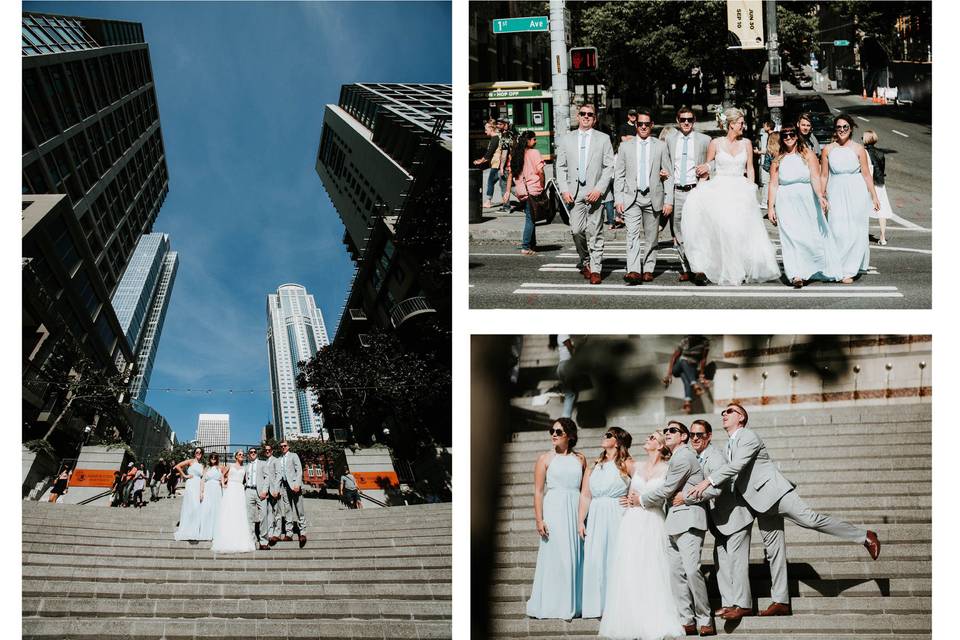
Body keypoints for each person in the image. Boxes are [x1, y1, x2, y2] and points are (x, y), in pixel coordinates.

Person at [689, 403, 881, 617]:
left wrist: (708, 481)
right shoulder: (728, 446)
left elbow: (736, 467)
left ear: (741, 417)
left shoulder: (749, 436)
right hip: (759, 504)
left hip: (776, 494)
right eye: (723, 412)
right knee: (774, 553)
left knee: (811, 520)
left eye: (730, 411)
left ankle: (865, 536)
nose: (725, 414)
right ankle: (781, 601)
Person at [626, 422, 715, 636]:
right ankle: (687, 620)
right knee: (676, 574)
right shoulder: (675, 457)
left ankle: (705, 619)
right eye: (666, 430)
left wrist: (642, 500)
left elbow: (667, 489)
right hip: (673, 522)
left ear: (683, 436)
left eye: (673, 431)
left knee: (692, 570)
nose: (667, 433)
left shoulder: (684, 456)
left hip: (690, 520)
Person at [598, 429, 685, 639]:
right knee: (630, 566)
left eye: (652, 438)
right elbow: (627, 487)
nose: (648, 439)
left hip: (653, 520)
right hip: (632, 521)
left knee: (652, 567)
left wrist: (642, 499)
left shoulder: (667, 468)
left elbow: (666, 493)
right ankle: (630, 619)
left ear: (661, 445)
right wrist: (627, 500)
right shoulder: (636, 466)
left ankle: (652, 619)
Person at [682, 107, 780, 286]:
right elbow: (708, 165)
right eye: (741, 123)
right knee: (725, 230)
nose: (743, 126)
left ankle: (739, 268)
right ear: (731, 124)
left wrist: (752, 189)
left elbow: (750, 168)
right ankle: (723, 268)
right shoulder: (716, 143)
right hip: (720, 189)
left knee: (739, 231)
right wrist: (701, 188)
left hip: (740, 190)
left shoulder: (747, 144)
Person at [679, 420, 754, 621]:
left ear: (709, 436)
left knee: (737, 562)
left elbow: (717, 488)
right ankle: (728, 603)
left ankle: (743, 605)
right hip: (718, 521)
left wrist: (686, 497)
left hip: (735, 516)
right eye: (692, 434)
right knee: (721, 561)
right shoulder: (696, 456)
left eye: (700, 434)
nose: (695, 438)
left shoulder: (715, 456)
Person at [526, 418, 587, 620]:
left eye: (558, 432)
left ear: (570, 436)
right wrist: (539, 519)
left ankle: (573, 603)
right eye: (552, 430)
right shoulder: (545, 459)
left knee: (574, 557)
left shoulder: (580, 459)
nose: (553, 434)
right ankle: (552, 604)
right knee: (556, 557)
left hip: (574, 508)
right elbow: (537, 491)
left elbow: (585, 491)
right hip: (554, 509)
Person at [768, 122, 841, 287]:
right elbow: (773, 184)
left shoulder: (808, 155)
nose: (788, 138)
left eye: (791, 134)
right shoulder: (777, 159)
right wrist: (771, 207)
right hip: (785, 201)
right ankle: (795, 275)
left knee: (808, 237)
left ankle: (808, 268)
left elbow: (815, 177)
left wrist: (820, 196)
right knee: (790, 239)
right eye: (785, 135)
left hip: (806, 200)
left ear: (797, 136)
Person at [555, 102, 615, 284]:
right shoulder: (567, 139)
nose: (586, 116)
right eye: (583, 113)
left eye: (590, 114)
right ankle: (585, 260)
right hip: (574, 193)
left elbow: (609, 166)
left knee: (596, 232)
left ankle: (596, 269)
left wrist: (599, 189)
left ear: (595, 119)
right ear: (578, 116)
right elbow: (560, 166)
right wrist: (564, 190)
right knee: (576, 230)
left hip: (594, 193)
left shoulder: (603, 139)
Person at [614, 107, 673, 284]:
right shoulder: (625, 146)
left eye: (647, 124)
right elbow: (619, 175)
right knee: (631, 234)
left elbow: (668, 174)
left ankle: (648, 268)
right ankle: (633, 270)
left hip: (653, 197)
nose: (643, 127)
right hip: (631, 197)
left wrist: (668, 200)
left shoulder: (661, 146)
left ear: (652, 125)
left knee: (651, 236)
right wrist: (618, 199)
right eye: (640, 124)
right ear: (636, 125)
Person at [820, 113, 881, 283]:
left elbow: (867, 175)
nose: (842, 130)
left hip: (856, 192)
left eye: (845, 127)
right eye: (838, 127)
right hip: (836, 191)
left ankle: (849, 270)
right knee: (837, 229)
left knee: (855, 231)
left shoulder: (858, 149)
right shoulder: (828, 149)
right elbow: (824, 175)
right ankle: (837, 265)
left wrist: (874, 197)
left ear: (851, 128)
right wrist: (821, 196)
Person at [578, 427, 632, 618]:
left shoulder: (627, 464)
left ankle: (619, 604)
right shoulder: (594, 466)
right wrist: (580, 521)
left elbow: (642, 483)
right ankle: (597, 605)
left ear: (617, 442)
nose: (604, 437)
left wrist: (633, 498)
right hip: (596, 514)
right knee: (596, 558)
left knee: (616, 557)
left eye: (608, 435)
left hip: (618, 513)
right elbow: (585, 495)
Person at [663, 107, 713, 281]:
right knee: (678, 232)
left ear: (694, 121)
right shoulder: (669, 140)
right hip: (676, 191)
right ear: (677, 121)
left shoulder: (705, 140)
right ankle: (687, 267)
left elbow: (715, 160)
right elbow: (666, 165)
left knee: (697, 230)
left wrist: (708, 167)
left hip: (695, 190)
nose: (686, 122)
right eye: (683, 119)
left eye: (689, 119)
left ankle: (699, 268)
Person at [508, 130, 545, 256]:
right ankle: (525, 246)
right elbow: (541, 172)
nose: (536, 141)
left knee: (531, 217)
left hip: (521, 191)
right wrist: (542, 185)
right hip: (532, 190)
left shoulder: (516, 154)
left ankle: (532, 244)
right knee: (530, 218)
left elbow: (511, 174)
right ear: (528, 141)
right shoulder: (534, 153)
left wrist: (507, 192)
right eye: (534, 139)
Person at [211, 451, 256, 553]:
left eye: (243, 454)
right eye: (240, 454)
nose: (242, 456)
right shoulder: (230, 466)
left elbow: (247, 480)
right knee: (229, 512)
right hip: (231, 489)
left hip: (240, 490)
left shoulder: (245, 468)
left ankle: (241, 539)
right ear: (236, 456)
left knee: (240, 514)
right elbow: (222, 475)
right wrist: (223, 484)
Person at [663, 335, 711, 414]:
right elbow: (674, 357)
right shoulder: (685, 341)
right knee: (683, 361)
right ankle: (694, 383)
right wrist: (669, 374)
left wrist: (702, 374)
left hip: (691, 368)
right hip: (677, 368)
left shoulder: (704, 342)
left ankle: (687, 402)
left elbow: (703, 359)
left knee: (686, 380)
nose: (691, 338)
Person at [862, 129, 893, 245]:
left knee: (863, 209)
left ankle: (862, 234)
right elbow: (882, 168)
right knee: (881, 210)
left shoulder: (863, 152)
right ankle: (883, 237)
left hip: (866, 183)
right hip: (879, 183)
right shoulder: (881, 153)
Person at [278, 441, 307, 547]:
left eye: (285, 446)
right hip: (284, 487)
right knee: (287, 510)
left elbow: (299, 469)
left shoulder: (293, 455)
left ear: (288, 447)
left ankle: (302, 533)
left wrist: (297, 484)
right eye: (281, 446)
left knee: (300, 510)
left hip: (294, 486)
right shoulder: (279, 459)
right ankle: (289, 533)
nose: (283, 448)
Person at [173, 447, 205, 540]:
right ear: (194, 453)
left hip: (198, 485)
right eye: (196, 452)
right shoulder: (191, 461)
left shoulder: (202, 465)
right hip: (191, 484)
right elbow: (178, 466)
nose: (198, 453)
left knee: (197, 507)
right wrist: (184, 475)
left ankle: (194, 530)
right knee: (191, 506)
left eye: (200, 452)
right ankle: (186, 529)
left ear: (202, 454)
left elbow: (203, 477)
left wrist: (202, 490)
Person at [245, 447, 272, 550]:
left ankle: (264, 542)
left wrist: (265, 491)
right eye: (251, 452)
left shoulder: (263, 463)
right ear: (248, 454)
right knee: (249, 517)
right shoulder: (246, 466)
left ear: (257, 453)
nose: (253, 453)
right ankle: (251, 541)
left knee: (263, 516)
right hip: (248, 491)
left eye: (254, 452)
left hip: (260, 492)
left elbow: (267, 477)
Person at [474, 121, 503, 209]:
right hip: (498, 163)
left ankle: (488, 202)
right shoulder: (497, 137)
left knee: (491, 181)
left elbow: (490, 152)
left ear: (491, 129)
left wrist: (481, 161)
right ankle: (524, 200)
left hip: (496, 164)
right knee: (504, 183)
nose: (485, 131)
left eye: (486, 129)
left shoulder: (495, 138)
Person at [197, 453, 224, 541]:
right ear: (209, 459)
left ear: (217, 459)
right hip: (208, 490)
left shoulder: (220, 468)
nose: (213, 459)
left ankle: (215, 533)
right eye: (212, 457)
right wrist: (201, 492)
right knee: (206, 510)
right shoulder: (206, 468)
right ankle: (205, 532)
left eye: (215, 458)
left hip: (217, 490)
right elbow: (202, 481)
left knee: (216, 510)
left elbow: (224, 479)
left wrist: (223, 485)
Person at [264, 443, 284, 545]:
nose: (267, 451)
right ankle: (270, 534)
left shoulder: (276, 460)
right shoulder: (264, 462)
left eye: (269, 450)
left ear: (272, 451)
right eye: (266, 450)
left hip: (275, 491)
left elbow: (279, 475)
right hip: (266, 492)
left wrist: (276, 490)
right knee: (269, 513)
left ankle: (277, 533)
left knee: (277, 513)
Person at [556, 334, 577, 419]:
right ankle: (566, 419)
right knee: (570, 394)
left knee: (570, 393)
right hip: (566, 366)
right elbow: (572, 351)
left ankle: (567, 418)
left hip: (563, 366)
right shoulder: (564, 334)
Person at [757, 122, 776, 209]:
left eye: (764, 125)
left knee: (766, 183)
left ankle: (765, 202)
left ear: (768, 126)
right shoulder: (770, 135)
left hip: (769, 163)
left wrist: (759, 152)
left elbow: (770, 150)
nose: (763, 127)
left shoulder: (772, 136)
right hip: (770, 162)